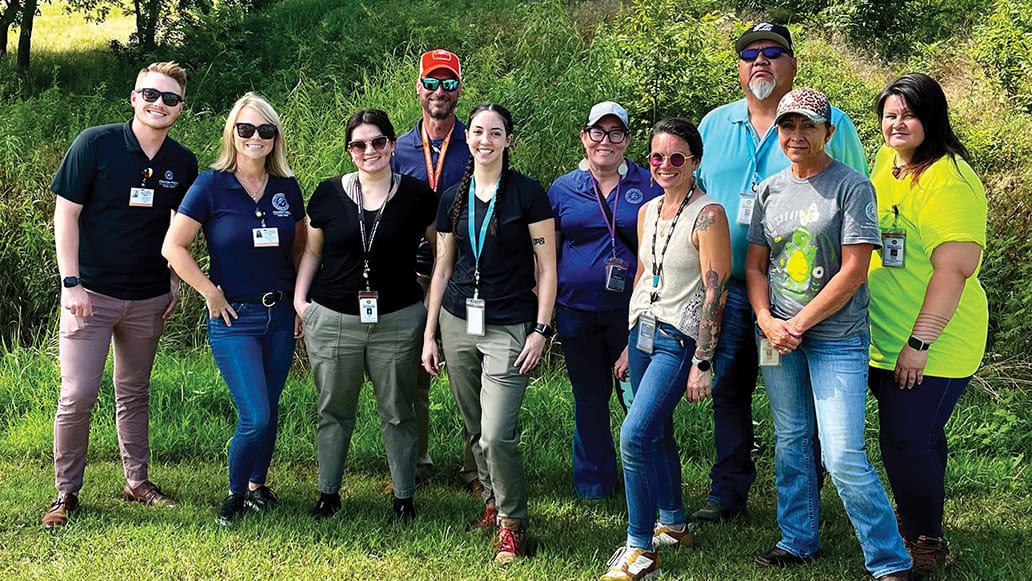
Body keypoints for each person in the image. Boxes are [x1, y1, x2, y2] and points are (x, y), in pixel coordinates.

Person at [691, 21, 869, 523]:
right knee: (729, 386)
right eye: (750, 54)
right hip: (729, 286)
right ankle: (728, 493)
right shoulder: (714, 125)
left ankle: (805, 497)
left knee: (798, 399)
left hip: (796, 295)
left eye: (773, 52)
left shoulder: (829, 123)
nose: (760, 62)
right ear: (739, 68)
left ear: (792, 64)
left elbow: (852, 198)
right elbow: (693, 194)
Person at [744, 88, 911, 580]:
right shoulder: (769, 189)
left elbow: (855, 270)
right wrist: (766, 320)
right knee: (791, 439)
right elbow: (756, 266)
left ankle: (888, 559)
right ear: (778, 132)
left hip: (835, 337)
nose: (797, 136)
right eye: (787, 126)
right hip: (776, 337)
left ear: (828, 132)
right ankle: (797, 538)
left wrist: (797, 323)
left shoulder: (852, 186)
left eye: (808, 126)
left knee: (841, 453)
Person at [44, 61, 198, 528]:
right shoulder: (95, 144)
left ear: (180, 108)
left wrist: (173, 279)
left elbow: (179, 229)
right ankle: (66, 493)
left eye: (170, 99)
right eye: (150, 94)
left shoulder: (182, 162)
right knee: (77, 394)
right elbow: (65, 216)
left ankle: (137, 481)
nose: (159, 104)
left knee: (133, 392)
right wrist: (70, 283)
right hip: (89, 295)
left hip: (148, 296)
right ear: (134, 98)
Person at [421, 104, 556, 563]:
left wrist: (541, 329)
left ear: (507, 140)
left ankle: (513, 524)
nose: (484, 140)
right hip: (457, 321)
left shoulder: (527, 194)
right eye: (477, 131)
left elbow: (547, 266)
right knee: (475, 426)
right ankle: (492, 504)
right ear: (468, 138)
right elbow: (442, 267)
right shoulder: (452, 198)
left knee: (497, 432)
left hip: (509, 325)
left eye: (494, 132)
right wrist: (429, 333)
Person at [163, 92, 305, 525]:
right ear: (232, 133)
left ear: (275, 137)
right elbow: (175, 246)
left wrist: (299, 304)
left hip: (279, 315)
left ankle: (258, 486)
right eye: (246, 129)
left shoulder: (286, 187)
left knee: (272, 407)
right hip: (234, 318)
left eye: (265, 129)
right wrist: (209, 291)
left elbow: (299, 251)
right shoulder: (210, 184)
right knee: (255, 414)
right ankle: (234, 493)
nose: (255, 137)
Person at [868, 73, 988, 577]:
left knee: (905, 440)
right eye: (890, 114)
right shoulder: (887, 162)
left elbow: (954, 270)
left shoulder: (949, 180)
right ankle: (920, 516)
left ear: (932, 118)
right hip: (882, 336)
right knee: (916, 437)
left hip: (933, 343)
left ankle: (925, 537)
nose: (898, 124)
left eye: (909, 114)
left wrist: (919, 343)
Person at [601, 118, 730, 581]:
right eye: (657, 157)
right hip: (642, 332)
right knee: (655, 434)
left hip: (678, 341)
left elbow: (716, 290)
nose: (666, 165)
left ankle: (641, 550)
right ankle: (673, 524)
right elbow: (642, 273)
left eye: (677, 157)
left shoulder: (709, 214)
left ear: (695, 161)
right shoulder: (648, 210)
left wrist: (703, 359)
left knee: (633, 436)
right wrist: (626, 341)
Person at [295, 109, 436, 522]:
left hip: (398, 318)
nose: (369, 150)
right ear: (349, 151)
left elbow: (443, 252)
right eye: (359, 144)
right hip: (334, 316)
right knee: (333, 409)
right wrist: (301, 302)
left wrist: (429, 307)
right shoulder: (326, 194)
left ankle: (404, 498)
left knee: (398, 410)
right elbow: (312, 251)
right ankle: (328, 494)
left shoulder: (416, 195)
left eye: (377, 142)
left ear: (392, 145)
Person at [547, 101, 662, 500]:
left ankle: (646, 481)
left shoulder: (649, 185)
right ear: (584, 136)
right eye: (598, 132)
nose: (605, 141)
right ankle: (594, 483)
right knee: (589, 398)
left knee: (640, 399)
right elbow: (549, 252)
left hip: (632, 314)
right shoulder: (562, 188)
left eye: (616, 134)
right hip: (576, 310)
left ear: (627, 141)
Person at [392, 49, 479, 493]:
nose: (439, 91)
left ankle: (476, 471)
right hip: (411, 276)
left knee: (470, 375)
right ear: (419, 87)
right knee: (411, 377)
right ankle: (415, 463)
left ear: (459, 89)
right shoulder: (398, 148)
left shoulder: (477, 142)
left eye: (448, 83)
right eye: (432, 82)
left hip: (465, 276)